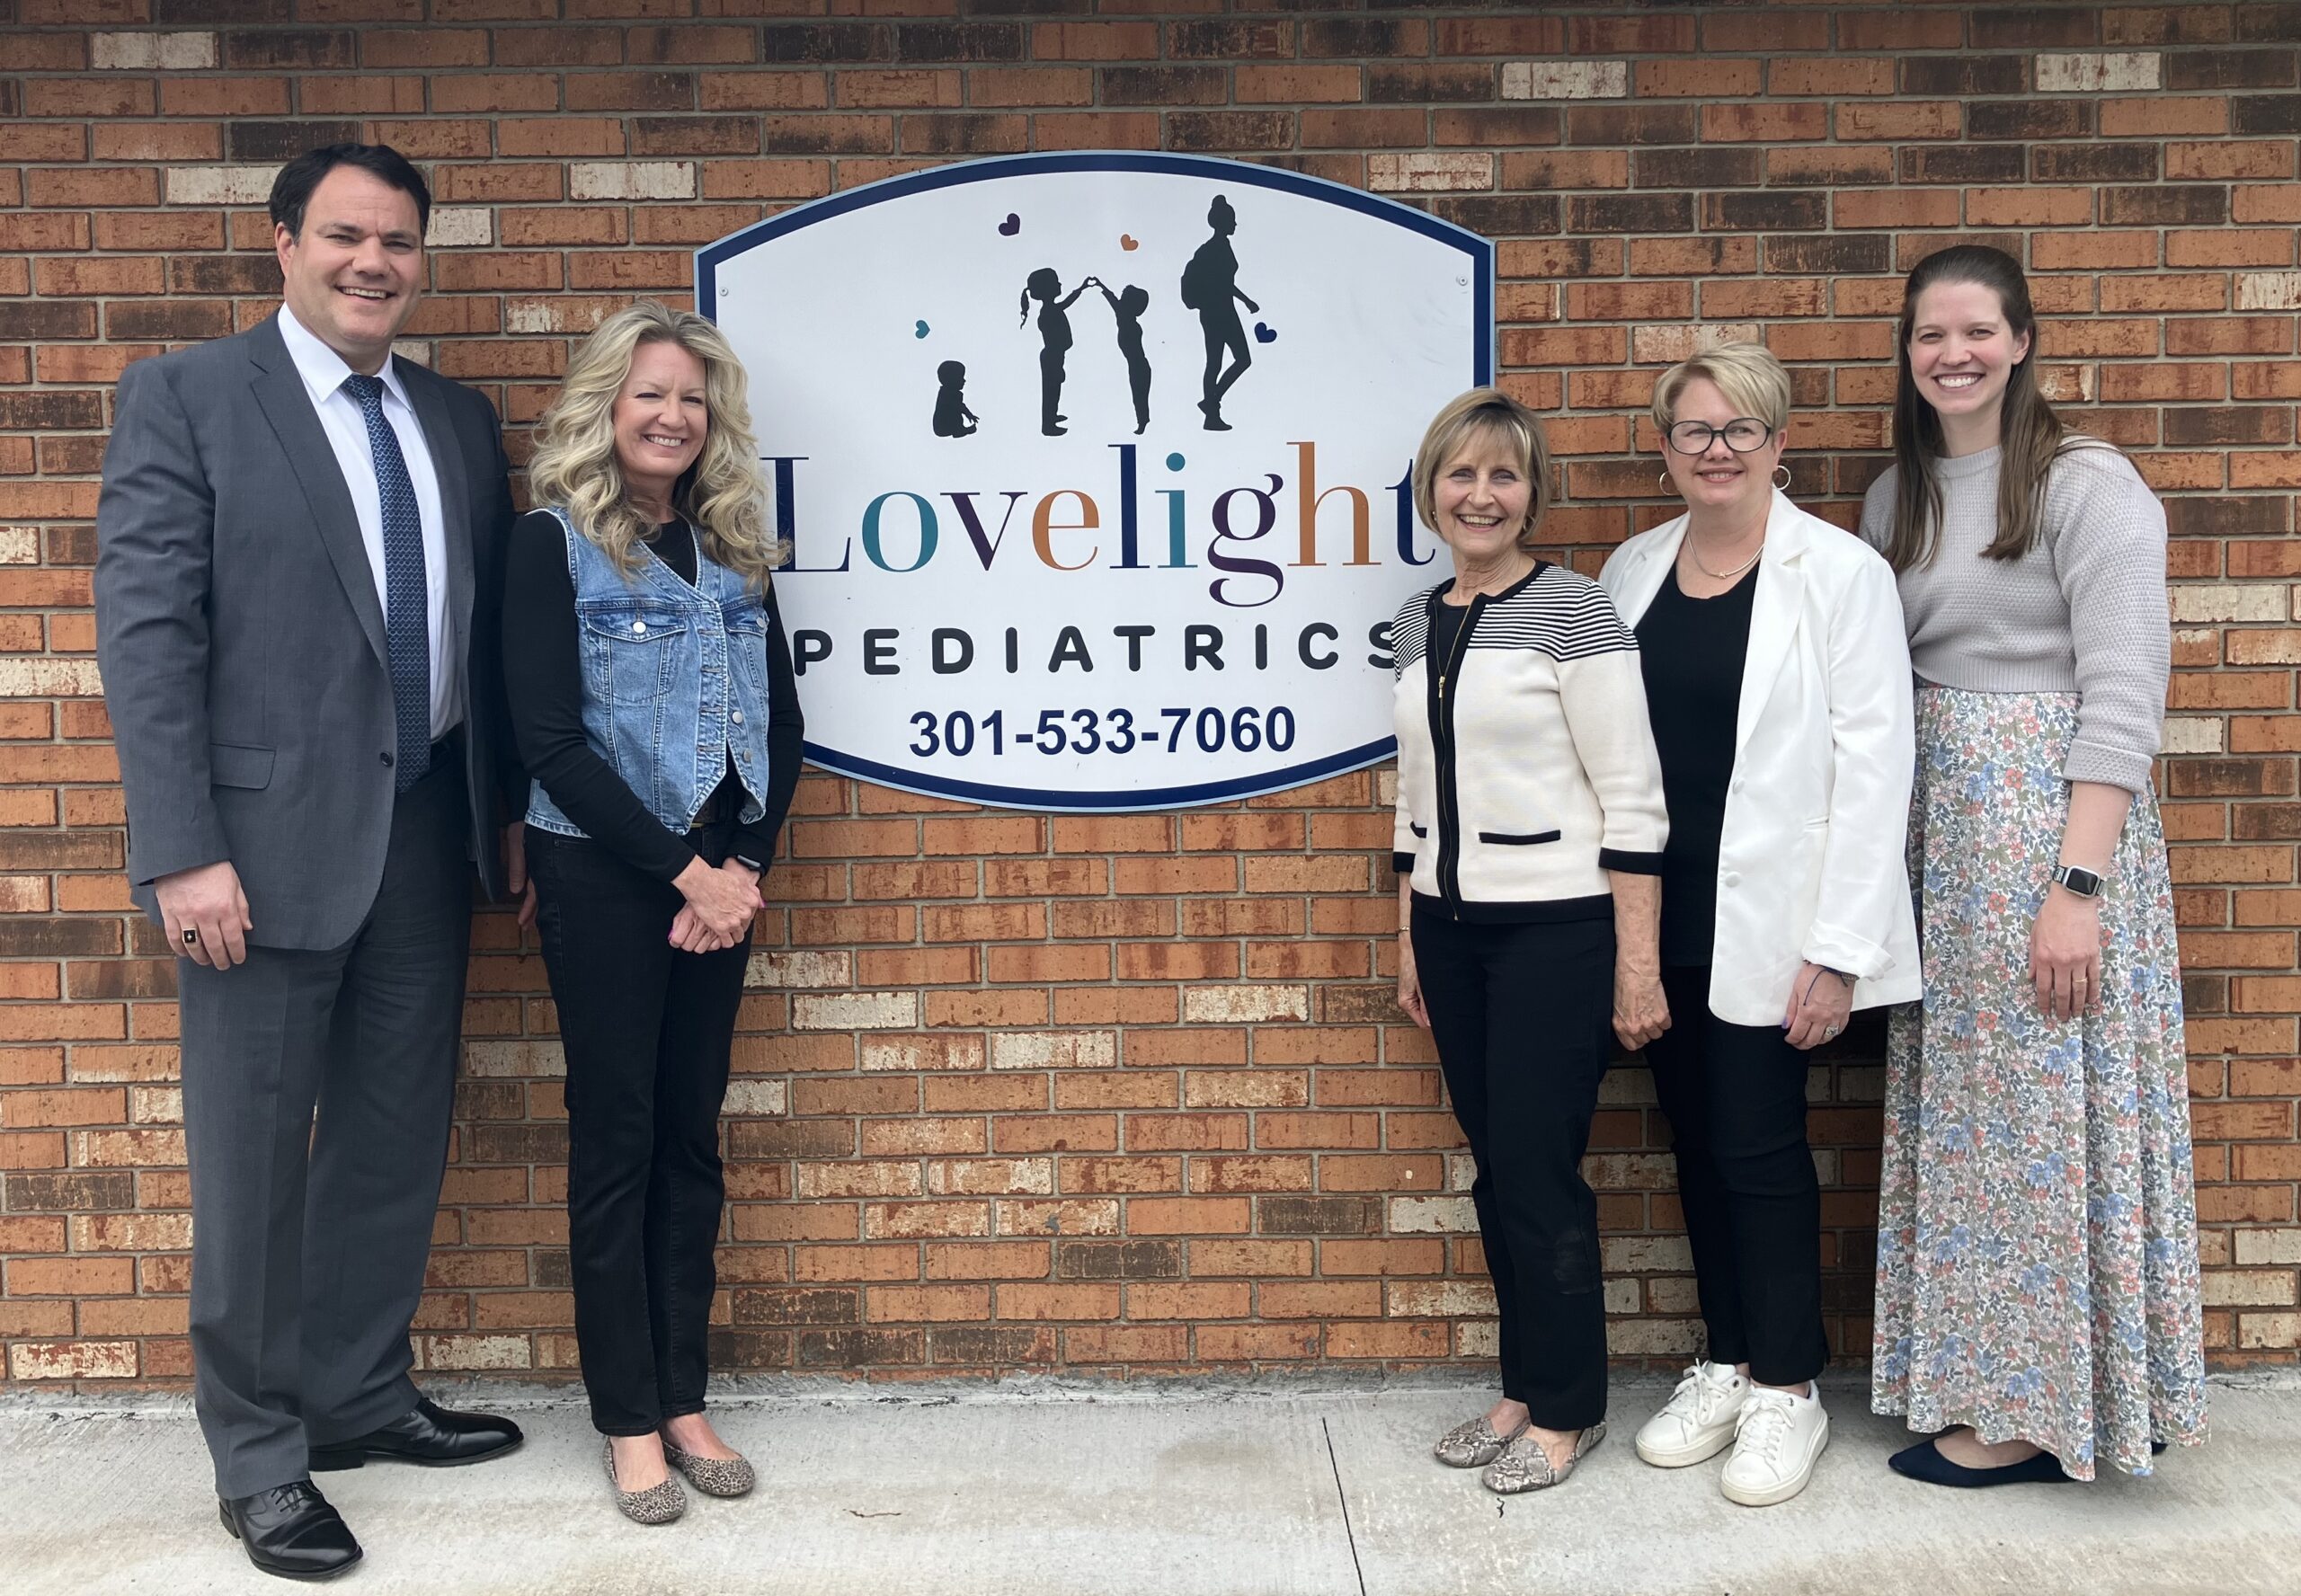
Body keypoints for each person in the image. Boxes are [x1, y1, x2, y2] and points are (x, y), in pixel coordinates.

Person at [93, 143, 526, 1581]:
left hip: (426, 832)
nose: (372, 263)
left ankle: (355, 1395)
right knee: (254, 1163)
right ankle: (260, 1458)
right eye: (344, 235)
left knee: (393, 1141)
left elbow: (485, 639)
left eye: (397, 241)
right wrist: (182, 848)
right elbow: (148, 636)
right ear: (283, 243)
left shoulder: (454, 418)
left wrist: (506, 810)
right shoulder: (190, 398)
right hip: (256, 857)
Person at [1863, 244, 2207, 1485]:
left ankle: (2038, 1408)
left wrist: (2078, 889)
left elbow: (2123, 693)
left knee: (2048, 1118)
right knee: (1977, 1124)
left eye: (1976, 332)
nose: (1952, 354)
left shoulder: (2084, 484)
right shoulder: (1894, 499)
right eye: (1930, 335)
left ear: (2020, 342)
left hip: (2050, 843)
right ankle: (1986, 1376)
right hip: (1947, 845)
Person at [1598, 342, 1918, 1507]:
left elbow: (1877, 768)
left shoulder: (1839, 575)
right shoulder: (1632, 570)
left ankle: (1788, 1387)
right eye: (1695, 430)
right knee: (1691, 1140)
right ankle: (1728, 1361)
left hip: (1779, 919)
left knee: (1759, 1148)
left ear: (1780, 443)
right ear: (1666, 447)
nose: (1717, 449)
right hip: (1660, 912)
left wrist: (1839, 951)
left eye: (1741, 429)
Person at [502, 302, 803, 1523]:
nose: (672, 416)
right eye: (649, 395)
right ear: (605, 410)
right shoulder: (550, 545)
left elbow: (781, 726)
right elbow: (550, 743)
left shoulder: (732, 550)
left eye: (691, 397)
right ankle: (626, 1417)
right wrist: (688, 875)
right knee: (616, 1143)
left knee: (689, 1142)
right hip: (604, 878)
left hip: (719, 893)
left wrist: (744, 870)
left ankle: (684, 1396)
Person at [1392, 388, 1669, 1495]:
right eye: (1460, 474)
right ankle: (1522, 1385)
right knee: (1496, 1171)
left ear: (1531, 493)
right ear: (1431, 492)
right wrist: (1408, 940)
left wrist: (1636, 965)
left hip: (1555, 931)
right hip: (1449, 933)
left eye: (1502, 475)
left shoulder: (1574, 611)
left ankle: (1567, 1410)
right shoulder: (1416, 622)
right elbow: (1412, 798)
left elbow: (1633, 798)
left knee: (1539, 1172)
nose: (1481, 495)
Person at [1179, 194, 1257, 430]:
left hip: (1222, 310)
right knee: (1220, 361)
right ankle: (1211, 411)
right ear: (1223, 222)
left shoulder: (1220, 247)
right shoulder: (1214, 249)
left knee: (1231, 361)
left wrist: (1245, 301)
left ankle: (1211, 404)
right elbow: (1223, 284)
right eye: (1232, 220)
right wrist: (1246, 301)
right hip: (1218, 312)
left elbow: (1225, 282)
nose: (1235, 224)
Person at [1019, 267, 1094, 436]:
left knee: (1054, 391)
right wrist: (1058, 367)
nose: (1060, 284)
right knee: (1050, 392)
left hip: (1055, 356)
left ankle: (1052, 416)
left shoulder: (1052, 309)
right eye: (1056, 282)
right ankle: (1048, 425)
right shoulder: (1049, 312)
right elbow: (1055, 339)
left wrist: (1082, 288)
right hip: (1052, 357)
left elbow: (1067, 302)